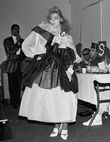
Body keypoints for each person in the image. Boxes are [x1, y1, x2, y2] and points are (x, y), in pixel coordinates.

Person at [18, 6, 80, 140]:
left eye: (56, 18)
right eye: (51, 18)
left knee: (65, 98)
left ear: (61, 19)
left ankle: (65, 126)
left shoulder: (67, 37)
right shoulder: (45, 34)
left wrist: (70, 69)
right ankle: (56, 125)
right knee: (53, 99)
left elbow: (72, 55)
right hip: (49, 70)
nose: (53, 21)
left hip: (63, 70)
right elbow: (31, 47)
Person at [3, 24, 25, 108]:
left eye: (18, 29)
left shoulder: (23, 41)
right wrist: (18, 44)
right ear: (11, 30)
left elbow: (24, 54)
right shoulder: (7, 40)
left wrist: (21, 55)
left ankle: (18, 101)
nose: (17, 31)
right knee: (12, 85)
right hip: (11, 65)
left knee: (18, 85)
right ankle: (13, 102)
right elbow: (10, 51)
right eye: (15, 29)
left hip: (19, 65)